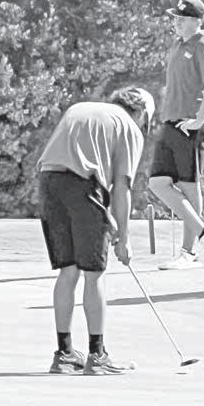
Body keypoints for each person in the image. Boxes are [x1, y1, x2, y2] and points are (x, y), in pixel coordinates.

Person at [37, 86, 155, 374]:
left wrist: (105, 216)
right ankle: (97, 355)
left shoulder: (82, 109)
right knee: (94, 273)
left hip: (48, 183)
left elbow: (78, 170)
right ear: (141, 113)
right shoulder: (129, 128)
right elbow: (122, 188)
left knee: (68, 271)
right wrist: (124, 238)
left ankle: (64, 354)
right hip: (84, 187)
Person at [148, 0, 204, 270]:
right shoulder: (177, 45)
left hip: (190, 124)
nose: (177, 22)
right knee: (158, 183)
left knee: (189, 185)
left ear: (196, 21)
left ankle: (189, 253)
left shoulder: (203, 44)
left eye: (183, 18)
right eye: (176, 18)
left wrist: (199, 120)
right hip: (171, 122)